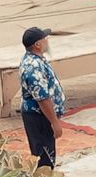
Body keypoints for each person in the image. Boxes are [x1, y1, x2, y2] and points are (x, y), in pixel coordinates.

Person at [19, 26, 66, 169]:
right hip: (39, 117)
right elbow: (43, 99)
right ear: (37, 45)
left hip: (40, 115)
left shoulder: (36, 59)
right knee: (44, 155)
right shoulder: (33, 66)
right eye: (44, 39)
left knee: (46, 153)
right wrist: (54, 122)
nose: (47, 41)